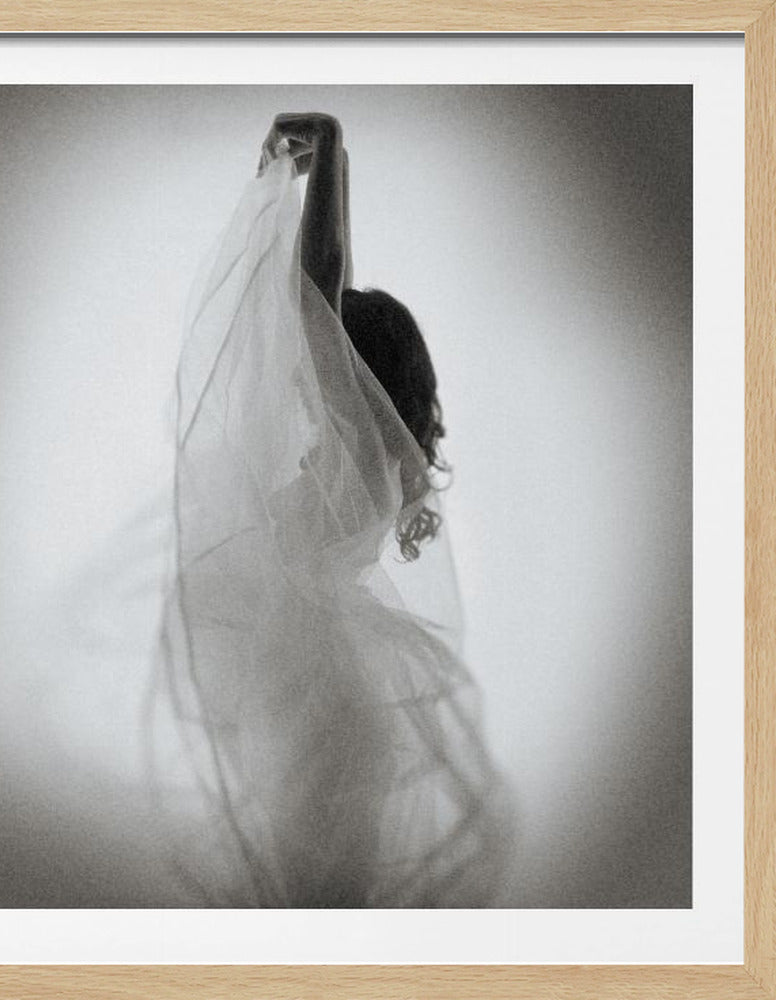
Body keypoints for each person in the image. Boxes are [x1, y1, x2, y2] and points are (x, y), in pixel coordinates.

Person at [149, 113, 510, 907]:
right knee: (322, 883)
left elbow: (319, 285)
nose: (304, 360)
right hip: (325, 690)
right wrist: (330, 171)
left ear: (354, 371)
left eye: (328, 354)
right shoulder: (374, 454)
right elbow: (331, 296)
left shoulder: (355, 444)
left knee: (319, 887)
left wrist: (334, 145)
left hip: (325, 698)